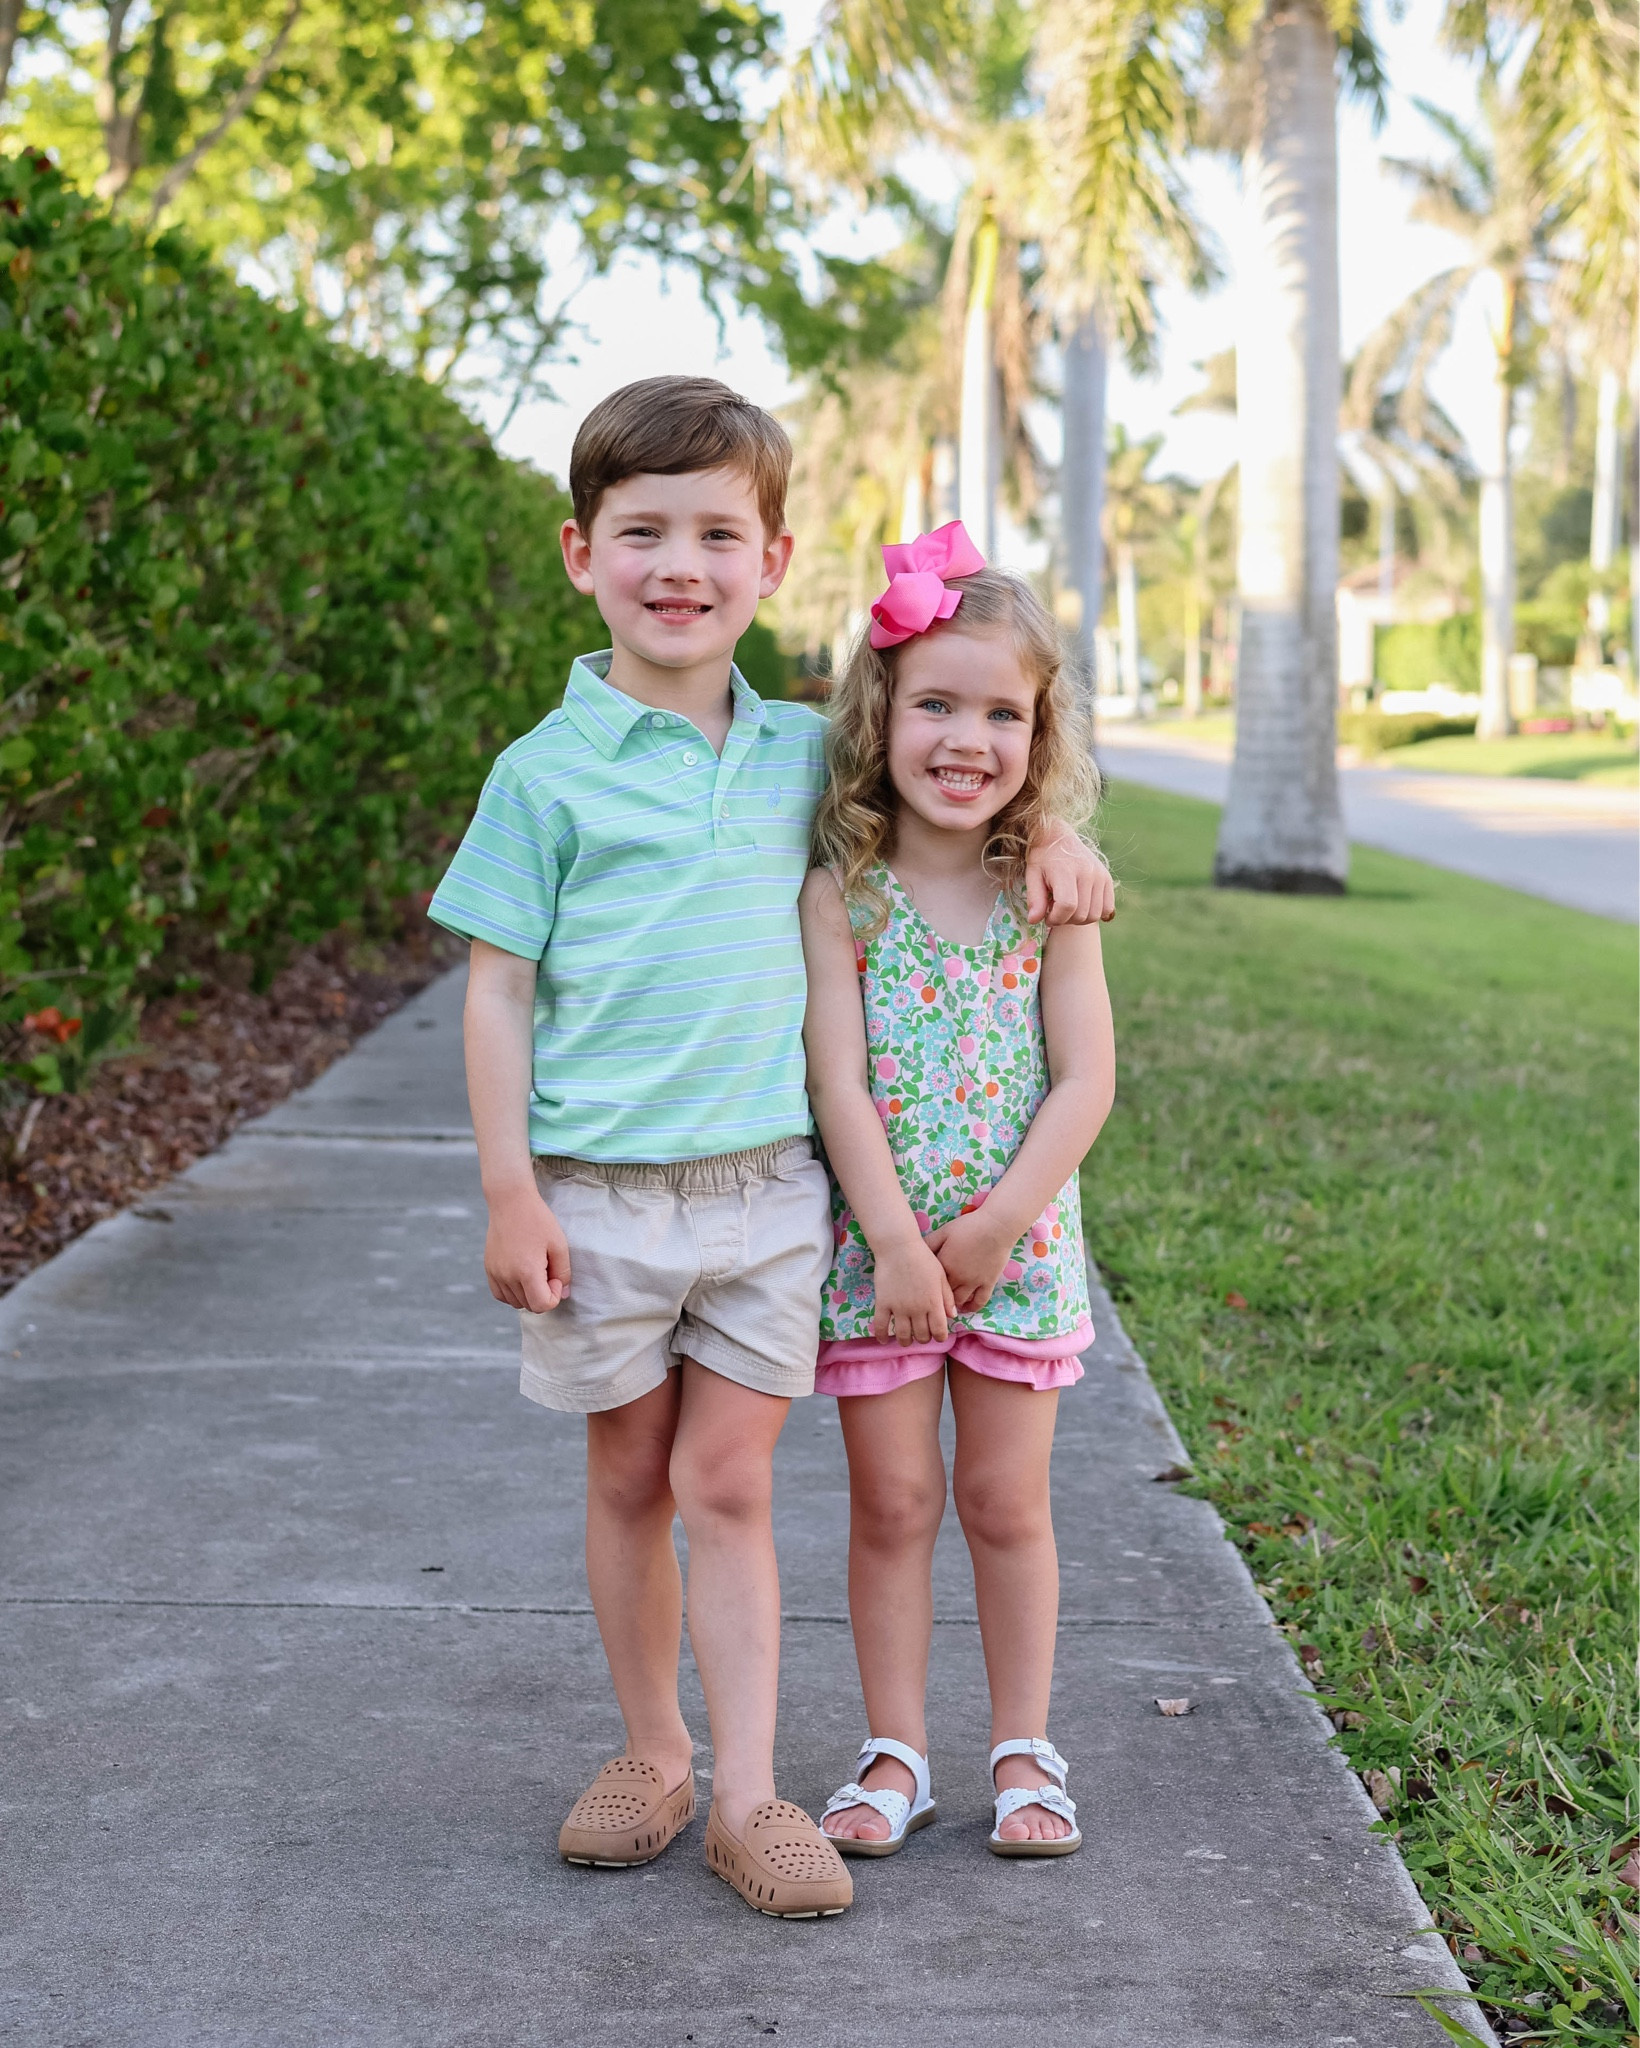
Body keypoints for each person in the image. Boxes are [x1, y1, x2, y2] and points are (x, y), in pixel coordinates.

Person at [427, 380, 1115, 1918]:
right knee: (627, 1476)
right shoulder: (544, 776)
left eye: (717, 533)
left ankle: (749, 1793)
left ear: (775, 558)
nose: (681, 564)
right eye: (644, 532)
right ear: (580, 552)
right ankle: (654, 1753)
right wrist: (507, 1187)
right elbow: (497, 989)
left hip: (765, 1200)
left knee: (726, 1478)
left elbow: (961, 793)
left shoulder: (808, 751)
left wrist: (1063, 839)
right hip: (596, 1194)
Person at [798, 523, 1116, 1861]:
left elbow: (1086, 1080)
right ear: (881, 719)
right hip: (882, 1266)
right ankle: (896, 1753)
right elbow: (837, 1083)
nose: (965, 738)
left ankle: (1025, 1751)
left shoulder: (1050, 894)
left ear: (1037, 738)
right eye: (936, 703)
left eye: (1001, 712)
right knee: (894, 1506)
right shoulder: (840, 896)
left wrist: (990, 1226)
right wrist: (896, 1242)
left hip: (1018, 1252)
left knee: (1003, 1503)